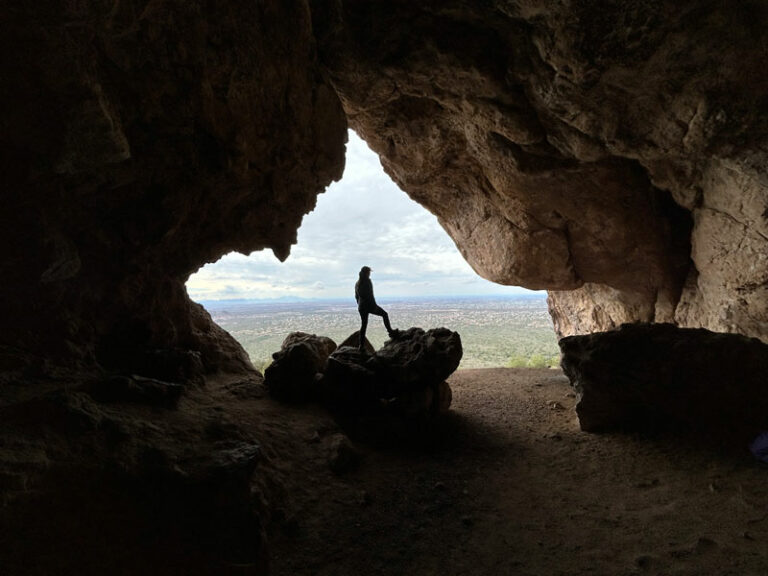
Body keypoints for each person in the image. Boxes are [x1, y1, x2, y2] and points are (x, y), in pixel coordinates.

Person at [355, 266, 397, 351]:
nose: (370, 273)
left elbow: (356, 296)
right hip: (369, 306)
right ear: (367, 273)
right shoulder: (367, 281)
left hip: (361, 307)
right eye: (369, 272)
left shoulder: (357, 283)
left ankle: (361, 346)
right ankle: (391, 332)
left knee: (364, 325)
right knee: (385, 314)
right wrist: (374, 307)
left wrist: (359, 305)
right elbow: (370, 295)